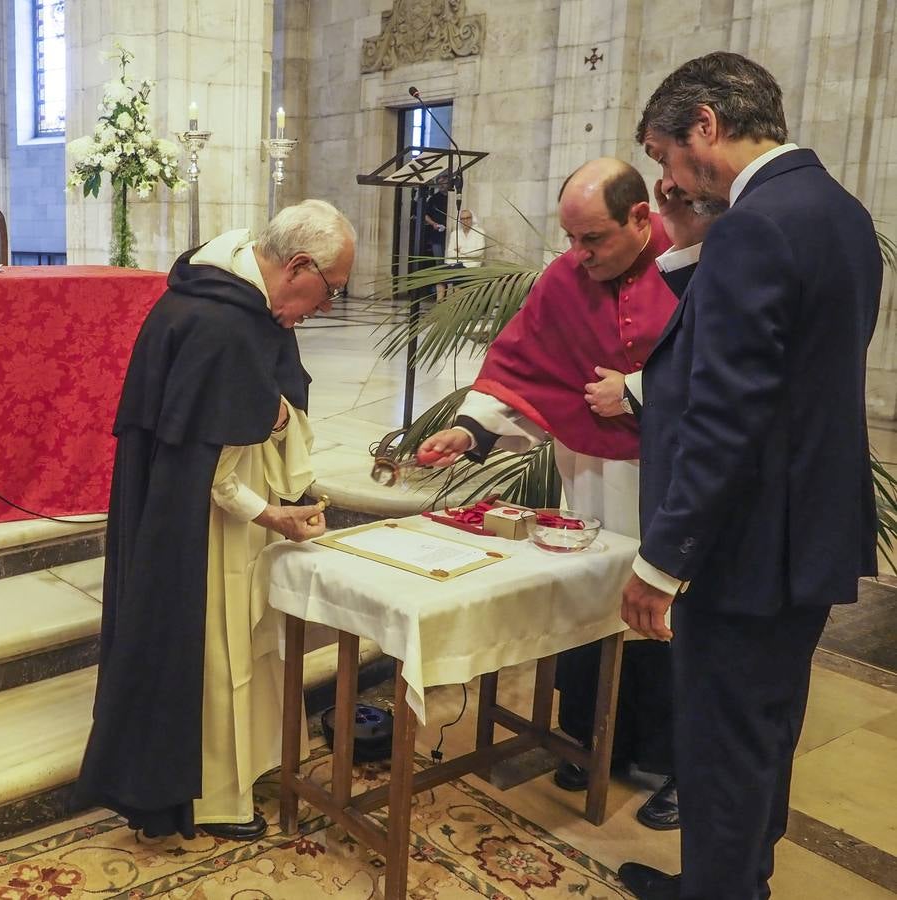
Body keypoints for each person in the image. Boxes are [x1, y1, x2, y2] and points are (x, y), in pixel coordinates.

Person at [616, 52, 882, 900]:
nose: (665, 178)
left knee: (721, 743)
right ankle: (731, 885)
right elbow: (786, 361)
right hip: (806, 529)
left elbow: (724, 411)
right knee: (763, 731)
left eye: (664, 154)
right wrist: (697, 239)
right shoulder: (835, 210)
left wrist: (663, 559)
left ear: (706, 126)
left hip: (745, 541)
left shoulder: (755, 226)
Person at [417, 158, 704, 830]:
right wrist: (469, 431)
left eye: (593, 240)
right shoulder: (564, 279)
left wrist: (633, 391)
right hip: (593, 480)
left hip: (673, 480)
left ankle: (672, 765)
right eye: (570, 238)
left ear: (641, 218)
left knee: (666, 615)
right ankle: (589, 740)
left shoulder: (695, 265)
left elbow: (720, 370)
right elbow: (525, 362)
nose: (578, 255)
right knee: (589, 600)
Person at [74, 200, 355, 840]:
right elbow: (214, 474)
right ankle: (210, 797)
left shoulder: (224, 298)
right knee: (217, 647)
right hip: (208, 526)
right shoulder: (224, 323)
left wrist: (277, 421)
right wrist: (274, 514)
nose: (327, 306)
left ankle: (245, 768)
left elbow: (253, 412)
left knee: (240, 649)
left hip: (210, 508)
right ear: (299, 266)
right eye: (330, 290)